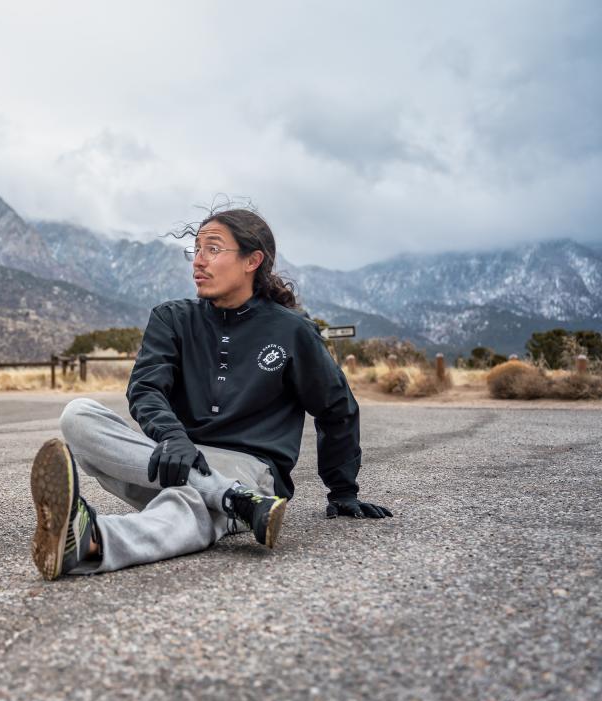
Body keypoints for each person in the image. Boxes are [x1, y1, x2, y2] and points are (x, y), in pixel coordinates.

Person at [29, 207, 391, 578]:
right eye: (196, 249)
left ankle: (93, 543)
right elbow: (146, 387)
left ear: (253, 260)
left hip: (250, 467)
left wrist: (343, 490)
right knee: (77, 415)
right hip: (176, 457)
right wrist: (172, 437)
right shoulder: (172, 318)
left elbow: (336, 407)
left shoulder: (292, 331)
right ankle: (236, 502)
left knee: (186, 504)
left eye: (213, 249)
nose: (198, 262)